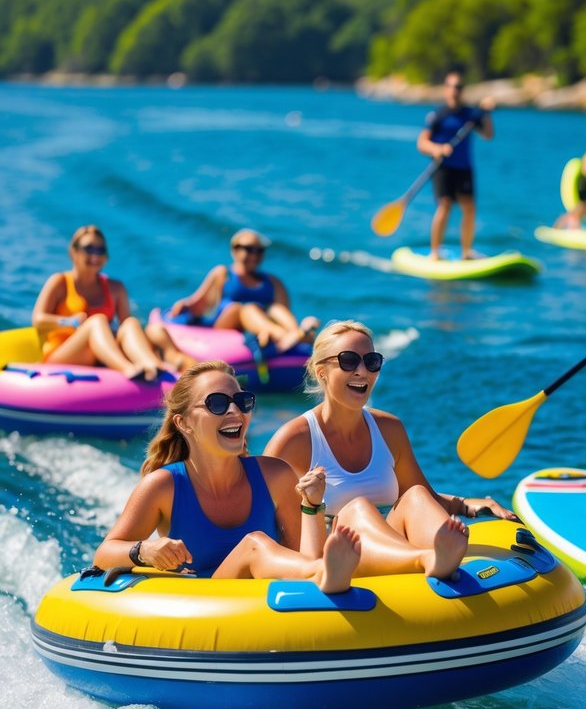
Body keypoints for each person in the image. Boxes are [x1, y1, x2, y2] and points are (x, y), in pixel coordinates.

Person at [264, 318, 517, 579]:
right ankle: (427, 559)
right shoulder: (294, 440)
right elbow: (261, 511)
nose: (362, 371)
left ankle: (442, 561)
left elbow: (426, 497)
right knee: (357, 508)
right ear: (322, 372)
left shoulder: (389, 429)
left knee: (416, 495)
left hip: (391, 545)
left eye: (371, 361)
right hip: (336, 560)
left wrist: (466, 505)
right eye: (349, 361)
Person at [93, 359, 361, 591]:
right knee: (254, 545)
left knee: (266, 549)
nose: (235, 411)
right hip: (203, 609)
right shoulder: (164, 486)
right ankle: (326, 572)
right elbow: (104, 554)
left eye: (242, 401)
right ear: (184, 423)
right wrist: (145, 550)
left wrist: (312, 506)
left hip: (265, 607)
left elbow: (301, 557)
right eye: (217, 404)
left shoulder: (275, 475)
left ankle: (327, 574)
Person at [33, 225, 195, 380]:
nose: (95, 255)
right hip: (62, 355)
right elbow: (38, 320)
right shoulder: (60, 282)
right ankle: (127, 368)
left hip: (97, 357)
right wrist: (70, 321)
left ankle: (153, 364)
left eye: (100, 250)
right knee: (97, 321)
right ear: (73, 252)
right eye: (89, 249)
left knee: (130, 323)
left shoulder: (115, 288)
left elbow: (126, 331)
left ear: (106, 257)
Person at [169, 229, 319, 354]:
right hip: (227, 323)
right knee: (243, 308)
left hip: (260, 324)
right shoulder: (223, 274)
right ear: (234, 250)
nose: (254, 255)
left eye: (259, 251)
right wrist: (185, 305)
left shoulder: (273, 282)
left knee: (275, 308)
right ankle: (284, 336)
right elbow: (200, 303)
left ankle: (296, 333)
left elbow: (284, 312)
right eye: (248, 249)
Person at [416, 72, 494, 259]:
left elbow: (488, 135)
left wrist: (485, 114)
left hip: (464, 168)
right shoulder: (438, 116)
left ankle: (466, 252)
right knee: (445, 205)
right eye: (451, 86)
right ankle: (435, 253)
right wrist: (438, 148)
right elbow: (422, 143)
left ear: (462, 90)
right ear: (445, 89)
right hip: (443, 168)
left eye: (458, 87)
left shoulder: (470, 115)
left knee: (469, 207)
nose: (455, 90)